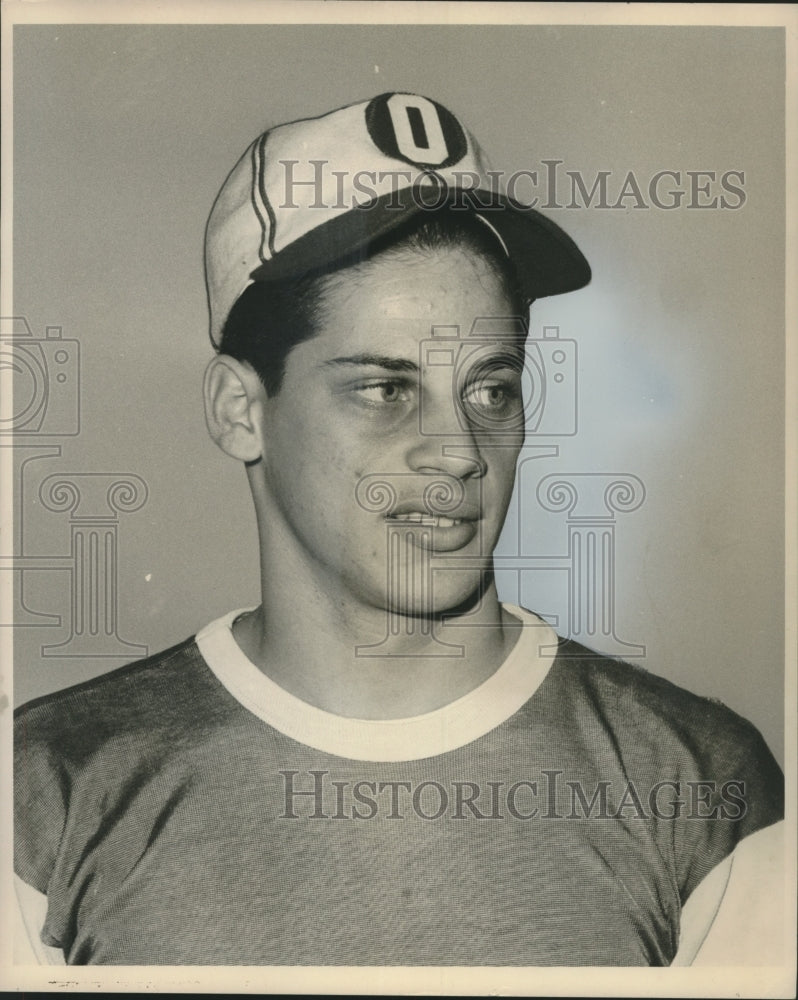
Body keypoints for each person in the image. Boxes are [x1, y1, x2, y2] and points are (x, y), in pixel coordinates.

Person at [14, 92, 784, 967]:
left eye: (491, 388)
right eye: (386, 390)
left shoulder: (697, 785)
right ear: (240, 410)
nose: (459, 452)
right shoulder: (47, 793)